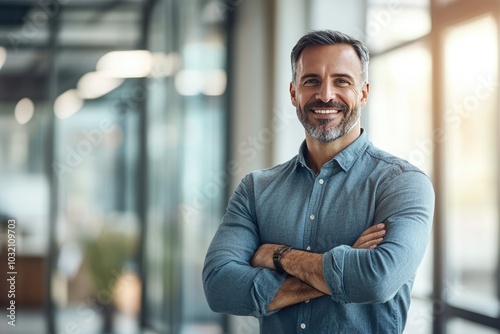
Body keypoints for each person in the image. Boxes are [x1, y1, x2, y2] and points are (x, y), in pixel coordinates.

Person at [202, 29, 434, 333]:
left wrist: (278, 256)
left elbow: (377, 280)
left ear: (363, 92)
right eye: (311, 80)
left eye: (342, 81)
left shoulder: (402, 184)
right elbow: (220, 287)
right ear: (293, 92)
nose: (325, 95)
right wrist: (344, 267)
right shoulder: (256, 189)